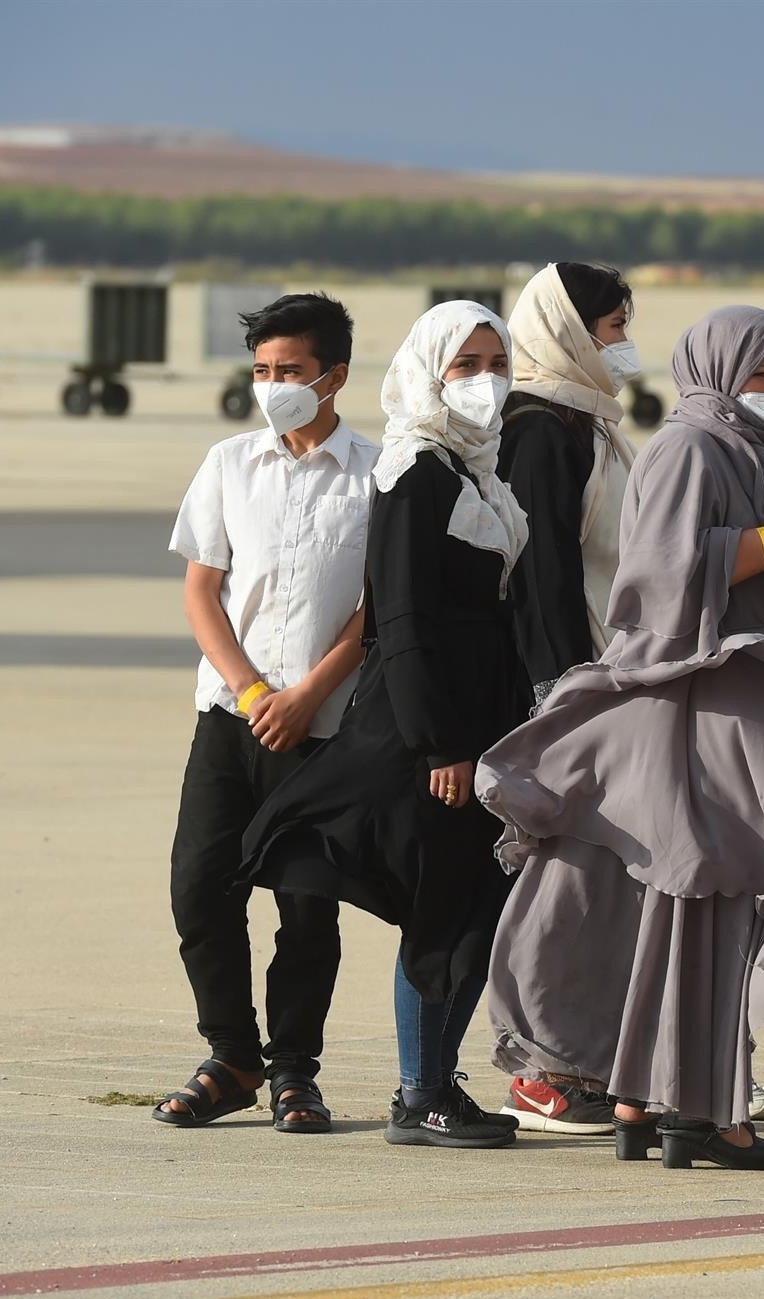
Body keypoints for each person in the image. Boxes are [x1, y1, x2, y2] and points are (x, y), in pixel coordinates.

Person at [477, 305, 764, 1172]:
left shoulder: (759, 449)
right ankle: (708, 1115)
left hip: (755, 705)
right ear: (714, 372)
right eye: (762, 377)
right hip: (711, 711)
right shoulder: (690, 447)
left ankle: (645, 1102)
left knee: (695, 908)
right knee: (717, 902)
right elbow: (656, 580)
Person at [240, 300, 532, 1149]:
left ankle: (439, 1082)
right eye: (464, 365)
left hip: (486, 720)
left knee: (478, 907)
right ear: (426, 370)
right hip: (433, 733)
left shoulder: (475, 466)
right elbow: (400, 620)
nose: (484, 380)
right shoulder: (414, 472)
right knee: (441, 912)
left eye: (495, 362)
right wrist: (438, 744)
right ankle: (421, 1091)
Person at [155, 293, 374, 1134]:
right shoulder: (229, 464)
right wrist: (252, 691)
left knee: (307, 905)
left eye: (289, 371)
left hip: (323, 728)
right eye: (261, 371)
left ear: (334, 376)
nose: (273, 385)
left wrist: (310, 693)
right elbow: (202, 591)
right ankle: (232, 1054)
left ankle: (294, 1070)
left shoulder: (377, 473)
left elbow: (374, 610)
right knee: (201, 889)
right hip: (231, 717)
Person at [489, 261, 639, 1135]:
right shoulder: (541, 431)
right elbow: (540, 576)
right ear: (573, 333)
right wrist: (559, 700)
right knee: (556, 889)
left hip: (598, 681)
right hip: (564, 694)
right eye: (613, 327)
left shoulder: (589, 424)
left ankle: (577, 1058)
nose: (622, 346)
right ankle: (541, 1068)